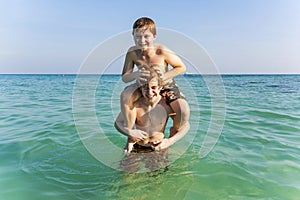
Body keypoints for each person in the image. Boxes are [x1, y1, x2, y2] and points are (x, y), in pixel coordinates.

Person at [120, 17, 190, 139]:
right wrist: (136, 74)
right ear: (133, 36)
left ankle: (173, 133)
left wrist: (164, 76)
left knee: (183, 110)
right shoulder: (132, 52)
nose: (142, 40)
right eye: (138, 36)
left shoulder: (161, 51)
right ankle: (131, 136)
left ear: (154, 36)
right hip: (142, 85)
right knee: (125, 96)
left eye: (146, 36)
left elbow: (181, 67)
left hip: (165, 84)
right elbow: (125, 77)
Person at [115, 69, 190, 153]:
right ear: (141, 88)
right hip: (136, 146)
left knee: (159, 165)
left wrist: (169, 141)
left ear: (160, 87)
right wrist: (130, 132)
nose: (150, 92)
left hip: (158, 146)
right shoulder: (135, 105)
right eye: (145, 88)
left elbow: (186, 126)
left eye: (153, 87)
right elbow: (118, 123)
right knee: (125, 165)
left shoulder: (166, 106)